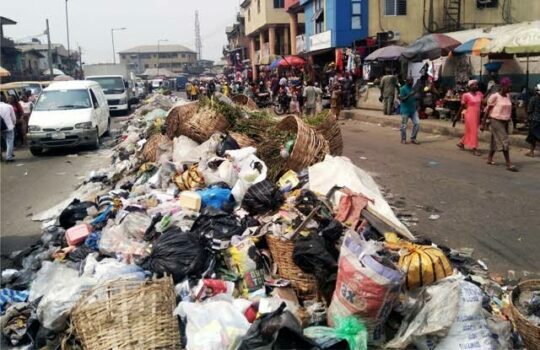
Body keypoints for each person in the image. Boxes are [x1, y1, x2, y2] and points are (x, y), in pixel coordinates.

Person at [484, 77, 517, 172]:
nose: (509, 89)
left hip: (505, 121)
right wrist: (483, 122)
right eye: (508, 87)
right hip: (496, 120)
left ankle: (489, 159)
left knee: (495, 140)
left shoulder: (508, 96)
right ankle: (508, 163)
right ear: (503, 86)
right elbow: (488, 110)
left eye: (510, 87)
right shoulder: (495, 96)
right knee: (504, 140)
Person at [456, 80, 483, 156]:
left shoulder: (479, 94)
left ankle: (461, 143)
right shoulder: (466, 95)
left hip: (477, 114)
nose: (476, 86)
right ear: (470, 86)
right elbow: (462, 106)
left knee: (470, 131)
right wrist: (456, 116)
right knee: (474, 131)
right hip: (470, 114)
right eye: (474, 85)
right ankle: (474, 148)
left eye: (476, 85)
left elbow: (483, 101)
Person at [398, 77, 420, 144]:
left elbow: (414, 98)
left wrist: (417, 104)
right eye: (411, 81)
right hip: (405, 111)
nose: (412, 82)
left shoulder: (412, 88)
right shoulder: (403, 89)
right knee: (404, 126)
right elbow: (402, 99)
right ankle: (403, 139)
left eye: (412, 81)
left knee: (417, 124)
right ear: (407, 82)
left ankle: (413, 138)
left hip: (413, 110)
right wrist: (409, 95)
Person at [1, 94, 17, 162]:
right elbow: (13, 117)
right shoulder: (9, 106)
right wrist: (13, 124)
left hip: (1, 128)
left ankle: (9, 154)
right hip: (9, 127)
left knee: (5, 141)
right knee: (9, 141)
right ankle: (9, 157)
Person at [525, 84, 540, 157]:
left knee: (533, 137)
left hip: (534, 120)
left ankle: (531, 152)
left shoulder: (533, 99)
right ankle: (531, 152)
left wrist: (527, 119)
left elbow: (529, 110)